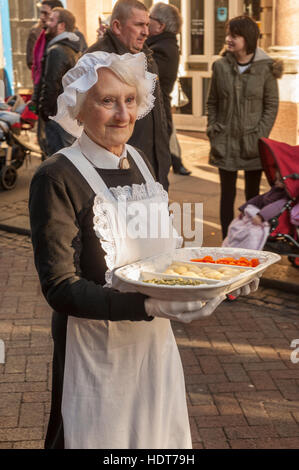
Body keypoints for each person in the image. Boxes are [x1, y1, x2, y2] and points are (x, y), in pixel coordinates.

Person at [29, 51, 259, 449]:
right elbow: (60, 287)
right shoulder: (56, 177)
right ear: (79, 109)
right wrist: (149, 306)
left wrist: (221, 280)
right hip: (95, 353)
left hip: (154, 349)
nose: (123, 114)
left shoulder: (137, 159)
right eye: (107, 101)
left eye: (130, 100)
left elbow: (164, 256)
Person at [207, 15, 283, 240]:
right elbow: (212, 102)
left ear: (247, 38)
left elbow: (271, 105)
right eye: (228, 34)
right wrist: (212, 128)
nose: (228, 39)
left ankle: (252, 240)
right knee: (226, 195)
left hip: (253, 143)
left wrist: (260, 135)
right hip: (224, 141)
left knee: (253, 196)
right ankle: (226, 241)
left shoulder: (266, 68)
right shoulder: (220, 66)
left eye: (234, 35)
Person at [87, 0, 171, 191]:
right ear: (117, 26)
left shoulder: (145, 55)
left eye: (147, 25)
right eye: (139, 25)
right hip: (119, 173)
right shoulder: (97, 61)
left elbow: (158, 109)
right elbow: (86, 123)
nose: (146, 32)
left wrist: (164, 157)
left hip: (154, 166)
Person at [146, 2, 191, 176]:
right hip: (156, 115)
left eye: (149, 18)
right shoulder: (160, 44)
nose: (145, 22)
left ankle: (176, 162)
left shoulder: (163, 48)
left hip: (157, 117)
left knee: (155, 175)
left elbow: (144, 78)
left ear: (160, 26)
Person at [35, 7, 81, 157]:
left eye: (52, 20)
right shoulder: (70, 48)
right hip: (65, 116)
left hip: (57, 118)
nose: (47, 23)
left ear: (61, 26)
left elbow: (51, 85)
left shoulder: (57, 50)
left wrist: (45, 112)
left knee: (59, 162)